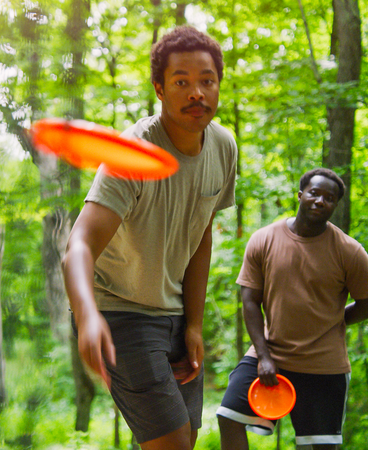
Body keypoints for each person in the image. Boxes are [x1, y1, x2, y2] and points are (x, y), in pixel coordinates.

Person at [62, 26, 236, 450]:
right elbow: (78, 247)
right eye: (181, 82)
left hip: (174, 313)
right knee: (172, 444)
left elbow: (201, 235)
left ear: (218, 84)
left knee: (186, 439)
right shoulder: (132, 156)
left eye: (206, 80)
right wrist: (86, 316)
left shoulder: (223, 146)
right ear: (159, 89)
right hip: (119, 312)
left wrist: (193, 323)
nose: (196, 92)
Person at [217, 168, 368, 450]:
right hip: (269, 353)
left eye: (329, 198)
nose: (320, 201)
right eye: (314, 193)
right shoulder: (264, 239)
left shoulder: (349, 250)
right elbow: (249, 300)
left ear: (335, 206)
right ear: (300, 195)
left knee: (318, 446)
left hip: (323, 365)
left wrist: (332, 320)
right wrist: (264, 356)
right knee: (229, 416)